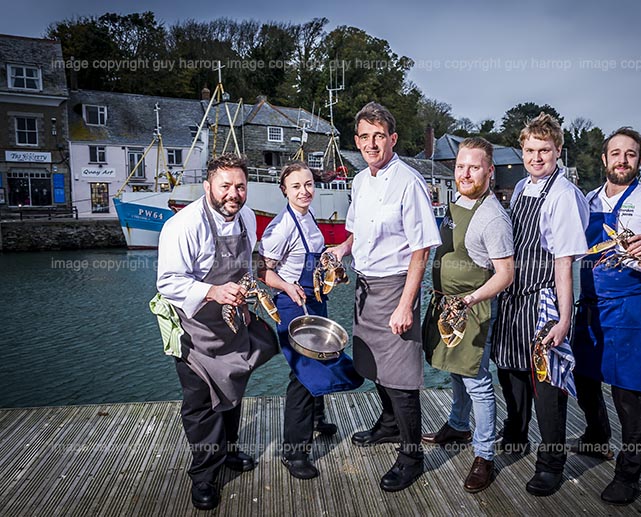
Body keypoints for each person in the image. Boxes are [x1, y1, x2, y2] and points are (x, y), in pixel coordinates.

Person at [156, 153, 278, 511]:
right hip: (195, 329)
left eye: (240, 186)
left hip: (231, 322)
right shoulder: (183, 225)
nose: (233, 194)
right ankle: (204, 475)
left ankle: (227, 452)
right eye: (225, 186)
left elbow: (247, 264)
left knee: (233, 389)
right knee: (200, 404)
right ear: (208, 186)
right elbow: (167, 282)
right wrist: (212, 291)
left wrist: (260, 282)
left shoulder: (248, 218)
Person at [330, 101, 441, 492]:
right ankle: (389, 424)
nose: (372, 143)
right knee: (371, 363)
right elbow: (356, 232)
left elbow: (421, 249)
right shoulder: (360, 181)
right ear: (357, 140)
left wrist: (406, 304)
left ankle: (412, 455)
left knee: (401, 377)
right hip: (365, 284)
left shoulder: (409, 182)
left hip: (396, 286)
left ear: (392, 138)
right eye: (365, 136)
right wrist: (341, 251)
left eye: (380, 136)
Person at [572, 127, 641, 505]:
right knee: (583, 379)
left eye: (631, 154)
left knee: (628, 393)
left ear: (637, 160)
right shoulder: (587, 200)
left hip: (629, 308)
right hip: (588, 305)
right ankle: (596, 435)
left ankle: (629, 471)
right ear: (604, 159)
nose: (622, 160)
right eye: (615, 153)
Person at [491, 113, 590, 497]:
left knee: (547, 383)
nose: (536, 157)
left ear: (558, 151)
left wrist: (564, 319)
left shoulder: (563, 195)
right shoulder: (519, 190)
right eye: (530, 150)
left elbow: (564, 262)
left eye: (544, 150)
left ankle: (551, 463)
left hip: (544, 300)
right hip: (514, 298)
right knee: (512, 373)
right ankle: (516, 435)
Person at [256, 161, 363, 480]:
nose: (304, 191)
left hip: (315, 299)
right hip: (292, 303)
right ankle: (294, 453)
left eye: (308, 184)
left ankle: (317, 420)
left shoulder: (308, 218)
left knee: (325, 357)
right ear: (284, 190)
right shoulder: (280, 227)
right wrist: (287, 285)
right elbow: (262, 271)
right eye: (296, 186)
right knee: (303, 373)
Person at [421, 137, 514, 493]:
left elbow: (506, 274)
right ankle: (458, 425)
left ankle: (485, 455)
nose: (465, 173)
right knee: (454, 372)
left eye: (474, 167)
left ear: (489, 171)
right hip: (446, 303)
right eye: (461, 166)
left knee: (477, 380)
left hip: (472, 308)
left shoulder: (492, 217)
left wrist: (469, 300)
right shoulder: (455, 203)